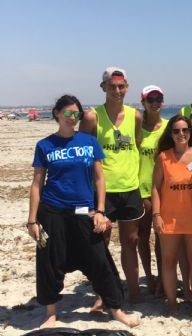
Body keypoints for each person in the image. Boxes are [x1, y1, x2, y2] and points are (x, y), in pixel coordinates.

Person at [28, 95, 138, 328]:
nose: (73, 118)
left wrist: (99, 210)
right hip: (52, 210)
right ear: (57, 113)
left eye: (77, 114)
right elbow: (37, 184)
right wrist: (32, 220)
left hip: (83, 210)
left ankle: (115, 308)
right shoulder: (45, 145)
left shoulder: (89, 142)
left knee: (99, 260)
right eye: (68, 113)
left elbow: (99, 178)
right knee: (49, 261)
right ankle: (50, 313)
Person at [80, 67, 145, 305]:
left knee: (131, 242)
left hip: (130, 188)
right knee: (101, 244)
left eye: (121, 86)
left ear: (127, 87)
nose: (117, 91)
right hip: (102, 191)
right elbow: (82, 153)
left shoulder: (136, 116)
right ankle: (101, 294)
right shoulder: (92, 117)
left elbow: (136, 144)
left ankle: (134, 290)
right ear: (103, 87)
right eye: (112, 86)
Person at [151, 115, 192, 316]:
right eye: (176, 131)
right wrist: (156, 215)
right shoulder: (164, 157)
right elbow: (155, 188)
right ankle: (172, 303)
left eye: (185, 130)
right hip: (169, 219)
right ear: (170, 134)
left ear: (190, 132)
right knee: (168, 261)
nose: (181, 134)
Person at [138, 85, 168, 296]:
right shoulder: (136, 127)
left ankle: (162, 277)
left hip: (164, 191)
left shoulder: (170, 127)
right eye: (151, 99)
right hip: (139, 190)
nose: (155, 102)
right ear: (144, 103)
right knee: (142, 238)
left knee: (161, 238)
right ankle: (148, 276)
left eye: (158, 98)